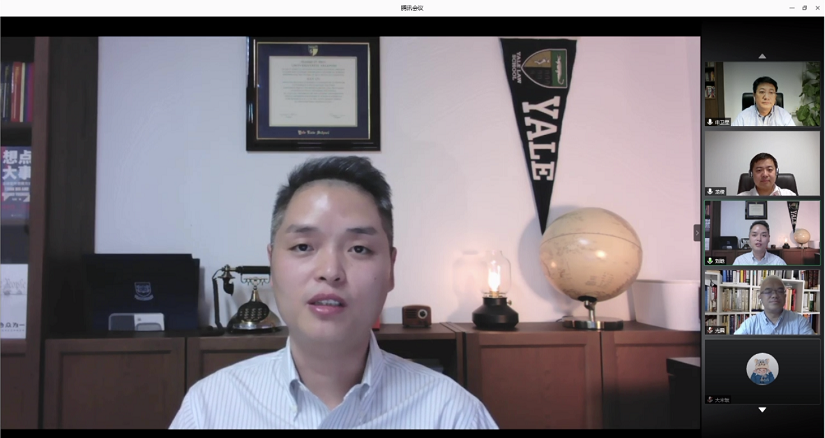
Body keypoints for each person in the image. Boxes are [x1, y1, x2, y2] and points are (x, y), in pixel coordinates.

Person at [170, 156, 499, 429]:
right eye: (303, 246)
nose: (330, 271)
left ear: (391, 269)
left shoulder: (452, 414)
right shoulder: (209, 409)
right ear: (271, 264)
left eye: (359, 248)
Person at [734, 275, 815, 335]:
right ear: (760, 296)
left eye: (780, 291)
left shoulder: (800, 322)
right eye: (768, 291)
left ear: (785, 296)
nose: (774, 295)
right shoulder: (749, 325)